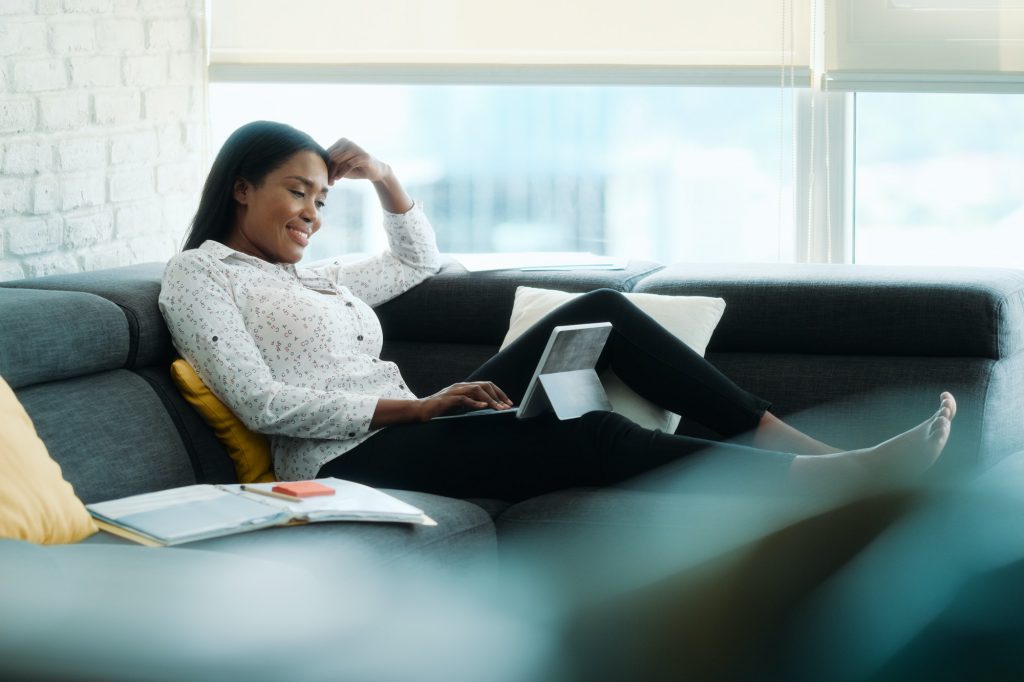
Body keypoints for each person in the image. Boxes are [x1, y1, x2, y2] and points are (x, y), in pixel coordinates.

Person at [159, 120, 956, 501]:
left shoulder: (317, 278)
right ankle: (821, 482)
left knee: (607, 308)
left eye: (322, 199)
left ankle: (800, 444)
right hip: (344, 466)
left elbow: (413, 260)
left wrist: (387, 180)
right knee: (588, 428)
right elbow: (260, 400)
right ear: (241, 187)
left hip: (419, 424)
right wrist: (416, 407)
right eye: (297, 193)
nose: (312, 213)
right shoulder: (201, 279)